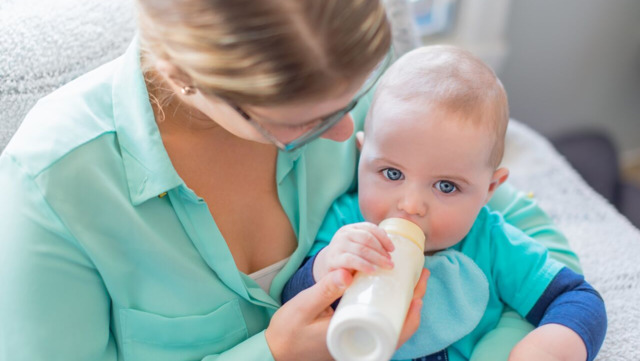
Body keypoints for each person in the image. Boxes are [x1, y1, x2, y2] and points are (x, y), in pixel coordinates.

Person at [0, 1, 580, 360]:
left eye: (354, 100)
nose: (348, 137)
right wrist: (276, 354)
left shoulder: (350, 67)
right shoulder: (57, 185)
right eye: (302, 123)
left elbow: (519, 231)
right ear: (182, 78)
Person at [282, 45, 606, 361]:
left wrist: (548, 349)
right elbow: (292, 304)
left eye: (446, 186)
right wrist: (323, 267)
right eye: (392, 173)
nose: (410, 205)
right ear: (361, 155)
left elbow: (578, 298)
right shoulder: (347, 225)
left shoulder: (491, 242)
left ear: (489, 189)